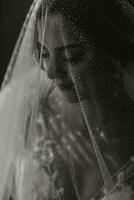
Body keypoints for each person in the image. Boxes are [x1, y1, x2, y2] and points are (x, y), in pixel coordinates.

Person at [1, 0, 134, 199]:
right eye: (44, 53)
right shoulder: (29, 110)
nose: (52, 72)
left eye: (71, 57)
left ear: (113, 54)